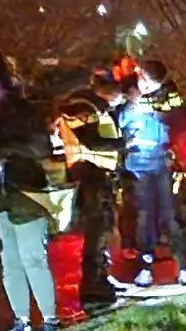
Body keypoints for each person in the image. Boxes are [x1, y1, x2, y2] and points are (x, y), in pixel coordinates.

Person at [0, 49, 62, 331]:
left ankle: (49, 320)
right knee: (9, 262)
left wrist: (2, 149)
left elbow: (41, 148)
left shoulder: (21, 109)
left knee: (33, 258)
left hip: (25, 191)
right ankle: (21, 320)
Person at [118, 59, 186, 288]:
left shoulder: (167, 96)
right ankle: (145, 266)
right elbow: (122, 122)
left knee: (171, 217)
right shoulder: (130, 97)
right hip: (138, 165)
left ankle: (183, 267)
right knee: (144, 219)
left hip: (162, 163)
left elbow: (178, 117)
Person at [57, 70, 125, 307]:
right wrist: (125, 144)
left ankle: (101, 277)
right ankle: (93, 285)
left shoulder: (91, 106)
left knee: (103, 229)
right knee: (97, 231)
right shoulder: (82, 106)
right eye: (115, 100)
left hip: (97, 174)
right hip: (89, 175)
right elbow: (93, 141)